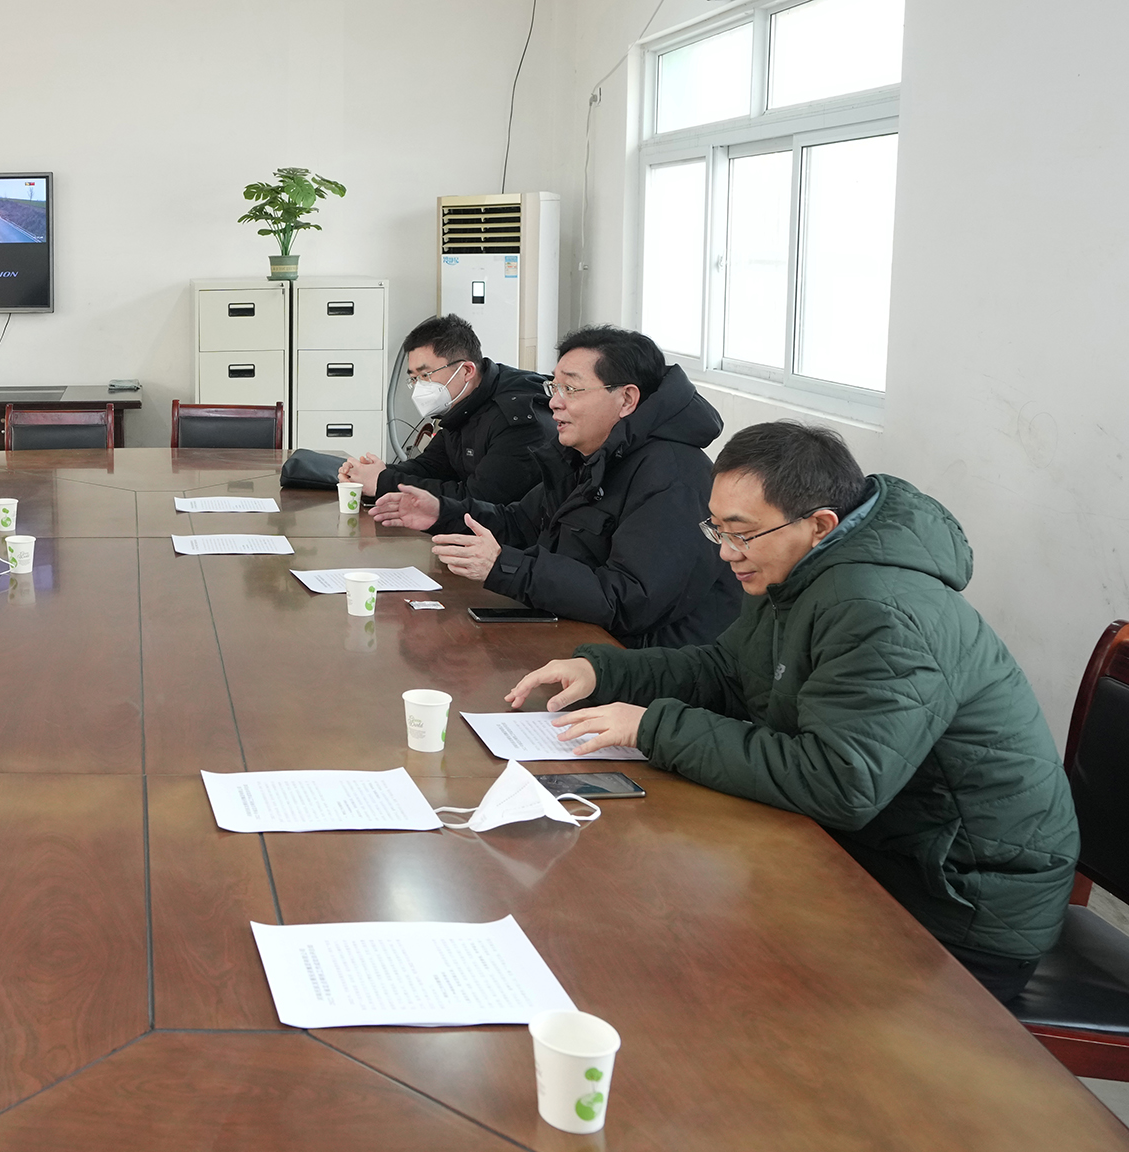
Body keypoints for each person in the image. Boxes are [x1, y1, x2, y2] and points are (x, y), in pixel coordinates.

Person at [507, 422, 1077, 1002]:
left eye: (742, 533)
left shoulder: (881, 611)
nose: (726, 552)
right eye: (717, 529)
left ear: (820, 525)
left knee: (681, 967)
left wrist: (651, 726)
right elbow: (729, 671)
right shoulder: (802, 570)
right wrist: (606, 673)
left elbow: (839, 782)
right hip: (875, 853)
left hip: (954, 905)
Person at [373, 325, 740, 648]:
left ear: (626, 399)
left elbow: (629, 600)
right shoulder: (586, 455)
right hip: (579, 636)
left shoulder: (673, 478)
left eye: (571, 389)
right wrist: (441, 512)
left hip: (643, 668)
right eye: (555, 386)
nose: (554, 403)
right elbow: (521, 523)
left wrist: (505, 566)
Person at [338, 314, 555, 505]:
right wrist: (375, 473)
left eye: (426, 375)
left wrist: (384, 482)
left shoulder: (517, 421)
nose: (420, 386)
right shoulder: (465, 405)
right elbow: (432, 467)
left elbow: (479, 499)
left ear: (467, 370)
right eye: (414, 378)